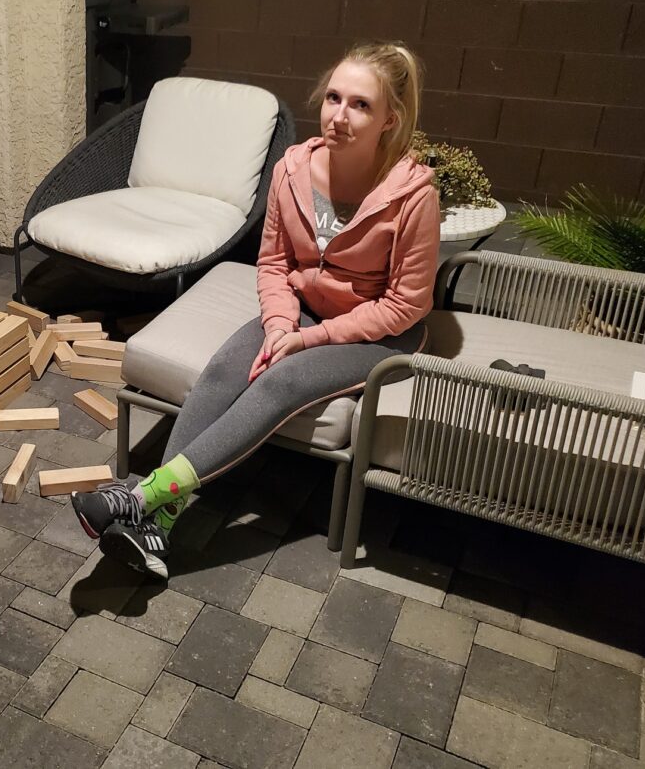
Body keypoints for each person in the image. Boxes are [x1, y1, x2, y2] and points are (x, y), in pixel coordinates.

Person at [71, 41, 441, 580]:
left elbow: (405, 304)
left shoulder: (412, 195)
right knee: (225, 370)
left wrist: (307, 339)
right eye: (334, 97)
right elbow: (272, 262)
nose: (339, 116)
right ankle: (159, 527)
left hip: (378, 334)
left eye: (361, 105)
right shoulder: (293, 169)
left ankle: (140, 496)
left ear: (390, 119)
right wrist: (280, 323)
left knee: (279, 382)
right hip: (301, 310)